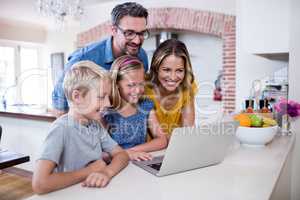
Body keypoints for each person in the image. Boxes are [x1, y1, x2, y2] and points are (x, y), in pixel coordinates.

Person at [32, 61, 129, 194]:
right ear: (77, 97)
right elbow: (39, 184)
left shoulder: (95, 126)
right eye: (101, 97)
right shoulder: (60, 129)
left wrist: (106, 172)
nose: (108, 103)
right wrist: (89, 171)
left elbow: (121, 154)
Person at [52, 2, 149, 117]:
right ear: (113, 30)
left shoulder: (141, 56)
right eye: (129, 33)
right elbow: (59, 103)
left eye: (142, 33)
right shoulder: (83, 58)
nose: (137, 41)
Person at [104, 55, 168, 161]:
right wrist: (125, 154)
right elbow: (101, 154)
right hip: (115, 165)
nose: (138, 90)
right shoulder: (106, 111)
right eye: (131, 85)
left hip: (138, 162)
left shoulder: (145, 106)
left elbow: (162, 140)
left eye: (141, 84)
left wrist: (132, 151)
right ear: (116, 84)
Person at [145, 39, 197, 138]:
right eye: (167, 70)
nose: (173, 77)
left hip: (176, 147)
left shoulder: (188, 86)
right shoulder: (144, 88)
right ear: (156, 68)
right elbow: (158, 136)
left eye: (179, 70)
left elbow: (188, 129)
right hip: (152, 150)